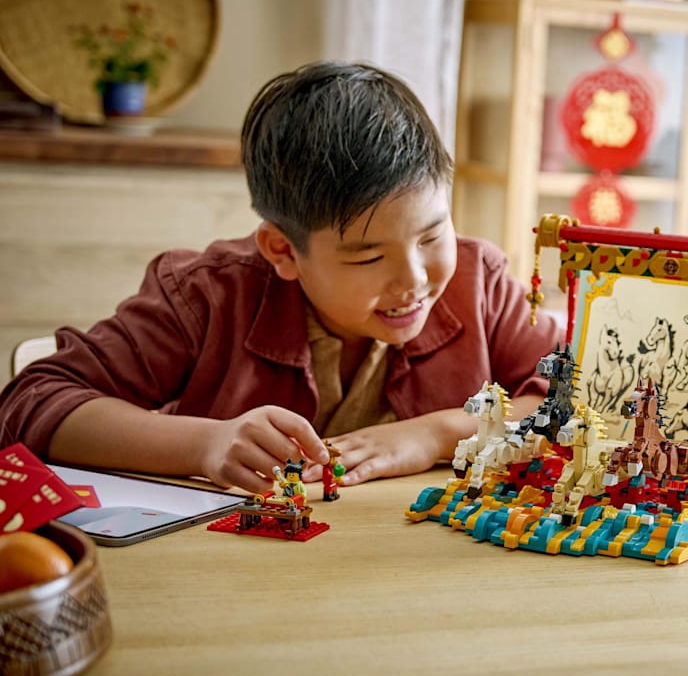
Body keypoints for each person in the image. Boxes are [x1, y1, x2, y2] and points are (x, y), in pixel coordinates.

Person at [0, 61, 561, 494]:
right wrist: (205, 444)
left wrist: (438, 433)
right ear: (282, 250)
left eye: (432, 236)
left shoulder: (480, 283)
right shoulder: (207, 296)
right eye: (368, 258)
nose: (413, 279)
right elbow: (32, 401)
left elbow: (579, 397)